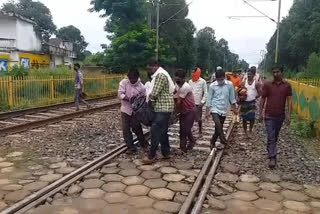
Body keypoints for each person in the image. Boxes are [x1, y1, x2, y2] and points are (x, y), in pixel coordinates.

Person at [259, 65, 292, 169]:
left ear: (281, 72)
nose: (275, 74)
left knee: (275, 136)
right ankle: (272, 158)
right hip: (269, 115)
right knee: (271, 136)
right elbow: (262, 99)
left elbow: (289, 101)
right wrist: (260, 113)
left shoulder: (287, 86)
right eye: (273, 72)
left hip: (280, 116)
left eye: (277, 72)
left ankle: (271, 150)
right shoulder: (268, 85)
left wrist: (288, 115)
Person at [143, 61, 175, 164]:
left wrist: (149, 102)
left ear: (155, 66)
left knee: (155, 130)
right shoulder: (163, 73)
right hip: (164, 107)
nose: (150, 71)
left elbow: (155, 92)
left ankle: (151, 156)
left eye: (150, 68)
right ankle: (166, 153)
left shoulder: (160, 75)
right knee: (163, 131)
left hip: (162, 107)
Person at [118, 68, 148, 154]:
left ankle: (144, 144)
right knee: (126, 129)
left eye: (134, 79)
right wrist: (129, 99)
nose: (132, 81)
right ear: (128, 78)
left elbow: (144, 98)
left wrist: (137, 101)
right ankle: (131, 147)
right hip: (125, 109)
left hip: (136, 111)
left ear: (137, 77)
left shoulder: (141, 87)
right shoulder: (124, 83)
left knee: (137, 128)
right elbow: (120, 94)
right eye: (130, 79)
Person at [206, 69, 237, 149]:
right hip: (214, 108)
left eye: (222, 79)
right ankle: (224, 141)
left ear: (225, 77)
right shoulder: (212, 86)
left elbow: (232, 97)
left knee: (218, 129)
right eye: (218, 79)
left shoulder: (229, 85)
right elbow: (209, 99)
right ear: (216, 78)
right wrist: (207, 111)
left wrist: (234, 108)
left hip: (224, 109)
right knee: (218, 124)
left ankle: (212, 142)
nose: (220, 81)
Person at [175, 69, 196, 152]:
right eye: (176, 80)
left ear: (183, 79)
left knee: (186, 129)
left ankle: (191, 141)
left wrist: (174, 111)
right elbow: (174, 94)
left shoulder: (185, 87)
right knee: (182, 129)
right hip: (183, 110)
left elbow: (179, 101)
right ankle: (182, 147)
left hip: (190, 110)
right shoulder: (177, 85)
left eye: (178, 80)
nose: (177, 81)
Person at [239, 68, 262, 138]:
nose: (249, 75)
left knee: (252, 117)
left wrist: (255, 97)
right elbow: (239, 91)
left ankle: (250, 130)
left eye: (250, 74)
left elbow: (260, 93)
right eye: (248, 74)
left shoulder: (256, 83)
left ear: (253, 75)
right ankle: (245, 132)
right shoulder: (243, 83)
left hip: (252, 102)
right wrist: (241, 96)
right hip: (244, 102)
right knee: (244, 118)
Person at [189, 67, 207, 134]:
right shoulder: (190, 81)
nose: (192, 73)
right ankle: (190, 130)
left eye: (194, 71)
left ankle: (200, 129)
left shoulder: (203, 81)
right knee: (190, 118)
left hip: (198, 103)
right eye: (192, 72)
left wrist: (202, 102)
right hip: (191, 103)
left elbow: (205, 93)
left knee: (198, 118)